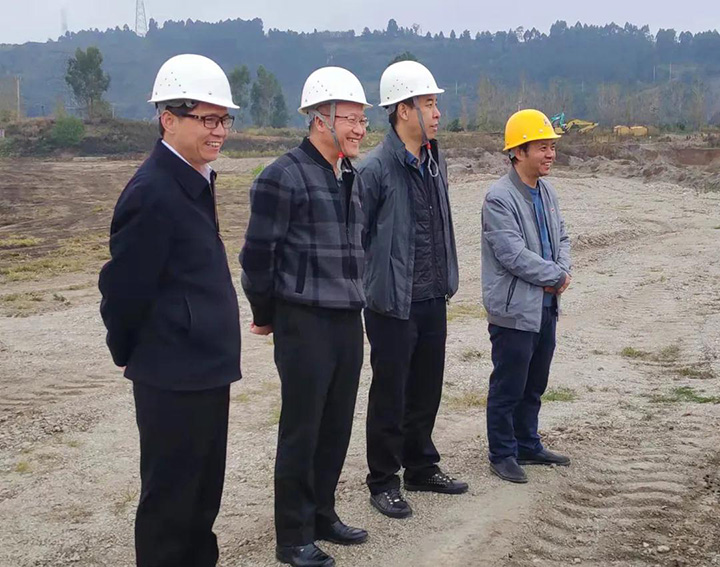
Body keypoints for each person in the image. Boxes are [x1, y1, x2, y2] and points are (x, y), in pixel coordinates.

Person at [98, 54, 242, 567]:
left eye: (223, 119)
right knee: (171, 504)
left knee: (201, 497)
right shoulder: (153, 191)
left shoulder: (194, 178)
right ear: (168, 119)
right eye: (207, 119)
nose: (218, 131)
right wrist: (130, 352)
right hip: (173, 373)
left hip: (205, 367)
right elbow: (124, 288)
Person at [239, 66, 370, 567]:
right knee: (303, 428)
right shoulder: (282, 175)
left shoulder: (349, 174)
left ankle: (321, 515)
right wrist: (266, 313)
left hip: (347, 317)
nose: (360, 129)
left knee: (336, 424)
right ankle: (292, 536)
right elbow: (258, 257)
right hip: (304, 320)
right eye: (351, 119)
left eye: (362, 120)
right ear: (320, 119)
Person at [358, 60, 467, 520]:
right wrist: (372, 287)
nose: (437, 113)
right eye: (428, 103)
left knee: (426, 387)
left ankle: (421, 465)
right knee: (390, 392)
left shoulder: (435, 160)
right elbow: (358, 237)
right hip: (391, 302)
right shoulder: (374, 169)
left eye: (436, 103)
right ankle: (383, 479)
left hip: (432, 295)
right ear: (403, 110)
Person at [481, 108, 572, 484]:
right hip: (514, 310)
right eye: (542, 147)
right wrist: (555, 275)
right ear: (518, 152)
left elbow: (562, 236)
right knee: (509, 385)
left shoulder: (547, 192)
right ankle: (502, 453)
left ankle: (527, 443)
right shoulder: (499, 198)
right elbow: (512, 254)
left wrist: (562, 270)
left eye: (552, 146)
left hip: (546, 306)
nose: (550, 154)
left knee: (535, 383)